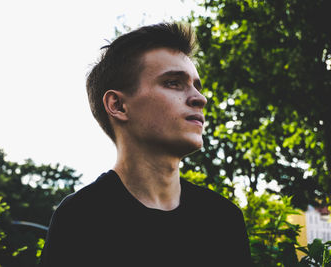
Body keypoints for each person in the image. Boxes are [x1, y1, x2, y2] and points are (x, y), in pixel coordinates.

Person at [40, 22, 252, 266]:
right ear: (118, 106)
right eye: (173, 82)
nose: (200, 98)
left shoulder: (223, 219)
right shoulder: (81, 218)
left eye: (197, 86)